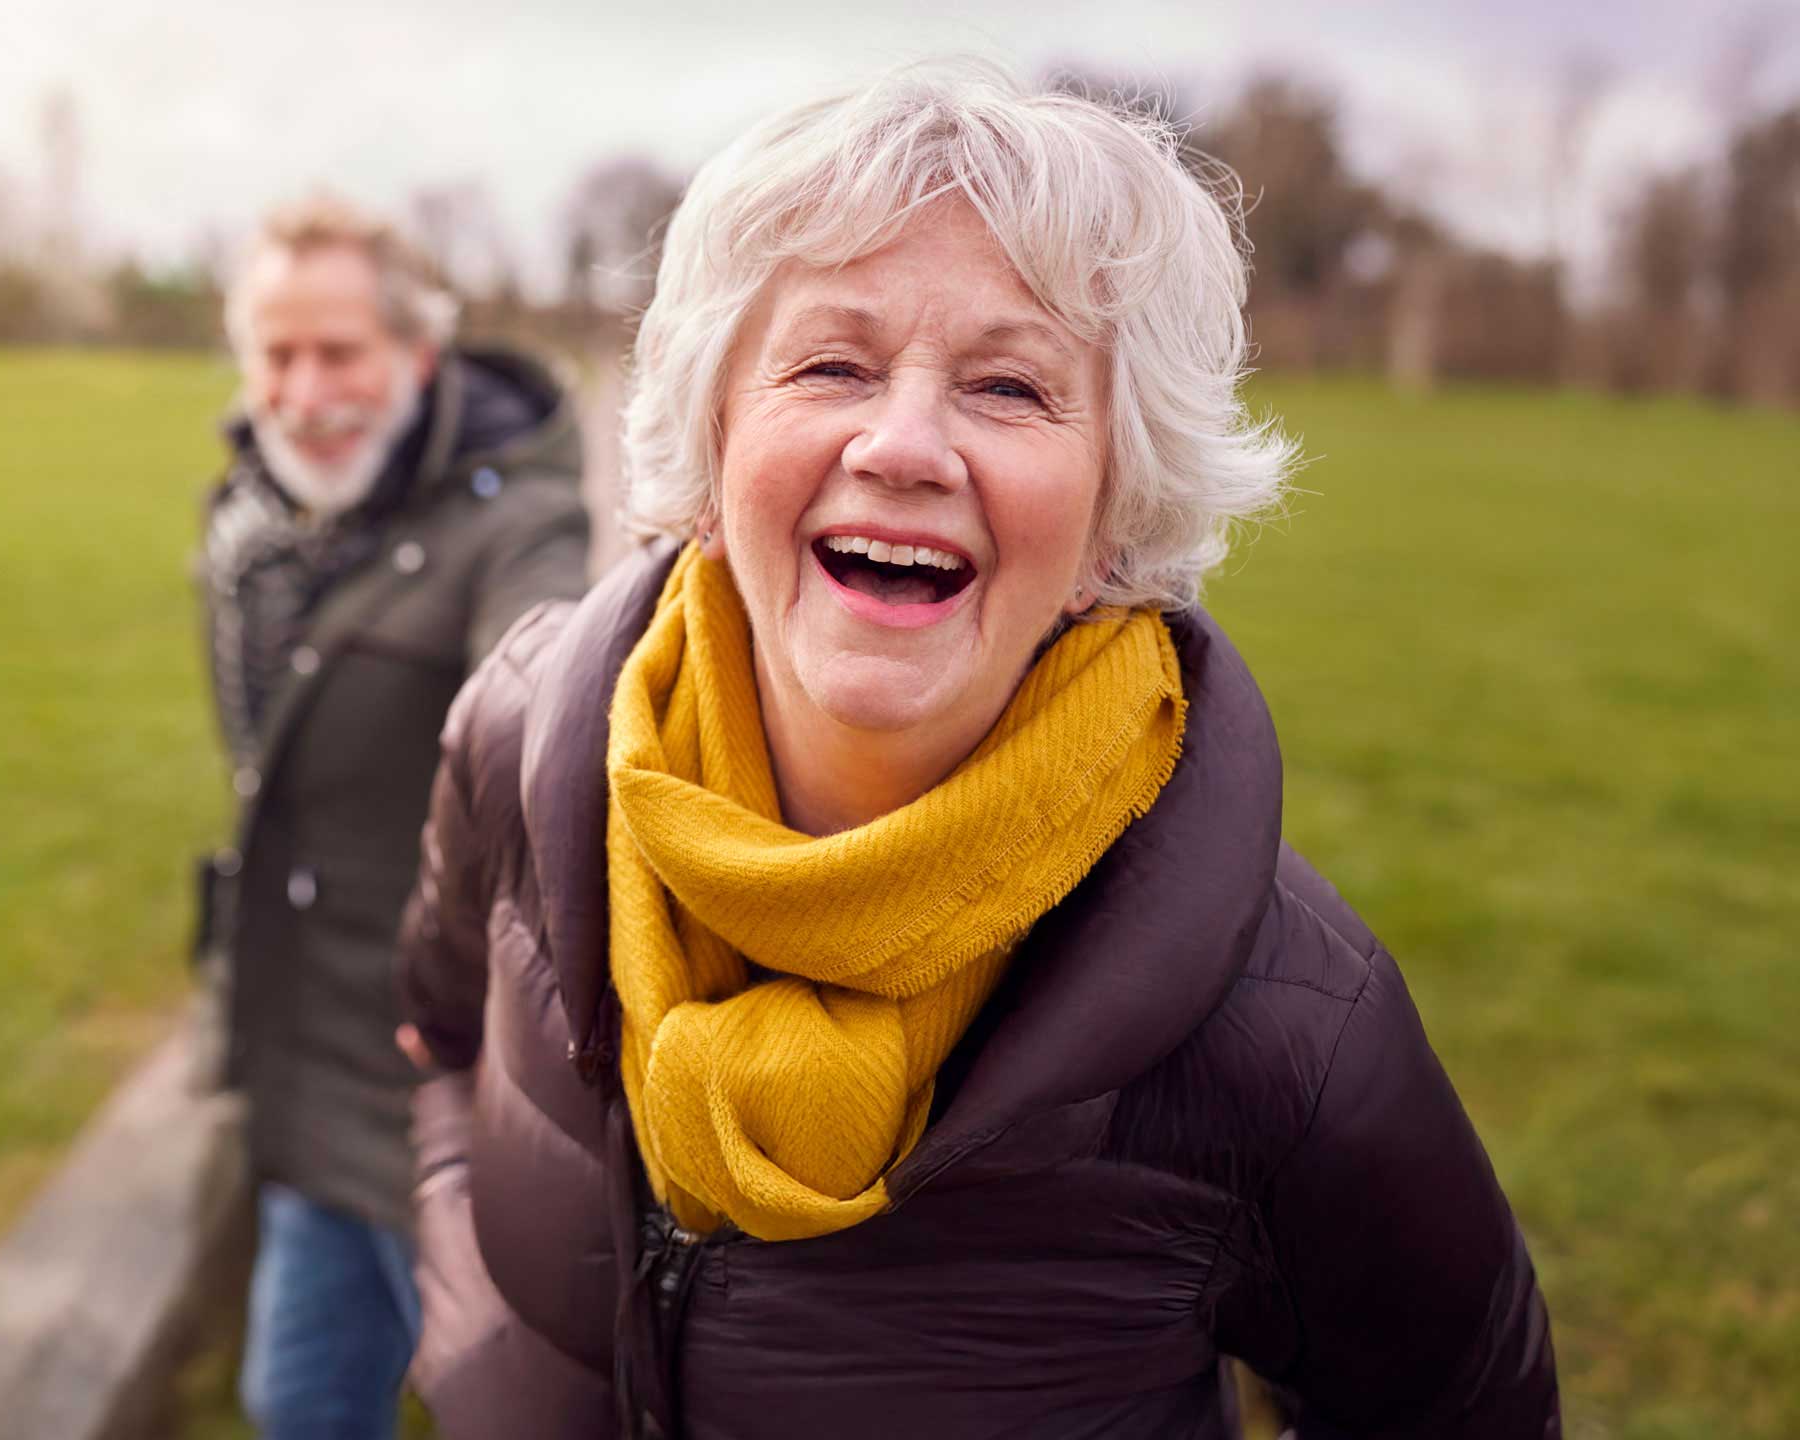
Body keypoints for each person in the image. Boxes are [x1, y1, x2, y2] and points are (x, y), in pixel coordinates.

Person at [394, 62, 1558, 1437]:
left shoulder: (1291, 1033)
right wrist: (469, 1309)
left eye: (1010, 387)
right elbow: (442, 1035)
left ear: (1115, 518)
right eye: (831, 364)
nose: (904, 445)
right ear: (712, 445)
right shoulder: (527, 732)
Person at [195, 194, 590, 1439]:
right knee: (297, 1405)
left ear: (420, 357)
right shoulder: (256, 523)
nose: (304, 390)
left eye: (339, 351)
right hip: (302, 1067)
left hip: (444, 1093)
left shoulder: (519, 524)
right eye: (276, 353)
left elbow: (540, 694)